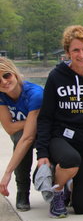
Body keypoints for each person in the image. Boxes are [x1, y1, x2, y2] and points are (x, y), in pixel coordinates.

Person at [36, 26, 83, 218]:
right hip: (60, 138)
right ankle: (58, 190)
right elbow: (45, 117)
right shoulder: (56, 76)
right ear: (68, 52)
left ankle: (69, 180)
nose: (81, 54)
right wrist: (42, 152)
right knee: (70, 160)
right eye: (75, 50)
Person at [0, 58, 43, 211]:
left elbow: (29, 136)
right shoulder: (1, 96)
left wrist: (7, 173)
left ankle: (45, 176)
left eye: (6, 75)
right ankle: (23, 192)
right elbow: (10, 128)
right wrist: (32, 120)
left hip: (45, 132)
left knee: (24, 140)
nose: (4, 82)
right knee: (19, 139)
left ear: (15, 73)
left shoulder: (35, 93)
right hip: (23, 134)